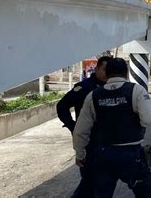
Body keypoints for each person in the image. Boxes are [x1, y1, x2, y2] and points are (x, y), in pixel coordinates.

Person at [73, 58, 151, 198]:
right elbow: (149, 120)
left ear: (106, 73)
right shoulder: (136, 90)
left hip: (104, 155)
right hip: (132, 155)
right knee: (146, 193)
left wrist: (80, 155)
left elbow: (80, 131)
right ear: (126, 73)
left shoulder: (93, 96)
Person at [57, 56, 112, 198]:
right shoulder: (84, 87)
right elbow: (62, 106)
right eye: (105, 70)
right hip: (89, 143)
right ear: (97, 69)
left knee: (102, 182)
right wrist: (72, 127)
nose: (108, 73)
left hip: (107, 143)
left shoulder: (112, 88)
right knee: (90, 182)